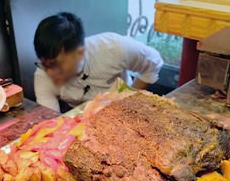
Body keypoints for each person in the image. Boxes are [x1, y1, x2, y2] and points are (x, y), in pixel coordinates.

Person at [33, 12, 163, 112]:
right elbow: (50, 122)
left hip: (123, 108)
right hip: (81, 117)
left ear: (79, 53)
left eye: (57, 65)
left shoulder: (113, 48)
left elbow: (153, 61)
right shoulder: (43, 75)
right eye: (46, 65)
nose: (50, 73)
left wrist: (132, 97)